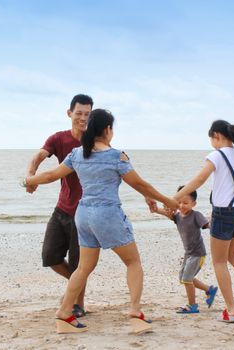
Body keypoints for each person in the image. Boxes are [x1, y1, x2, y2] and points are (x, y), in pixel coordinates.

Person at [24, 109, 178, 334]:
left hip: (83, 214)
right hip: (107, 215)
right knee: (133, 263)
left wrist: (28, 180)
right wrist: (168, 201)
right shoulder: (117, 156)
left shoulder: (77, 154)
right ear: (107, 130)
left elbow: (50, 175)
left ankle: (64, 314)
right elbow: (141, 185)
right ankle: (136, 313)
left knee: (83, 268)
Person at [173, 120, 234, 323]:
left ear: (216, 135)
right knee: (233, 254)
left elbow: (199, 180)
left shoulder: (217, 155)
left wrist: (174, 199)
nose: (211, 143)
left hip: (224, 212)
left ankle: (232, 311)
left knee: (219, 261)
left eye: (211, 139)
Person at [24, 94, 93, 318]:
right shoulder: (59, 139)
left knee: (78, 265)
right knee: (50, 257)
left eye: (87, 114)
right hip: (62, 208)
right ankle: (73, 291)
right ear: (70, 113)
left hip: (84, 213)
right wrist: (30, 175)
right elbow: (39, 156)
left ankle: (77, 303)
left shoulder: (94, 141)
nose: (83, 118)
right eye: (79, 113)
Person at [151, 186, 218, 314]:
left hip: (198, 254)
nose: (181, 205)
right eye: (179, 202)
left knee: (187, 279)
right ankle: (209, 289)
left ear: (194, 204)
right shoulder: (177, 215)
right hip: (188, 253)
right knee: (184, 277)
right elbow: (167, 213)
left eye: (185, 203)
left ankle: (192, 306)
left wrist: (217, 224)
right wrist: (155, 210)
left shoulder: (196, 216)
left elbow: (208, 225)